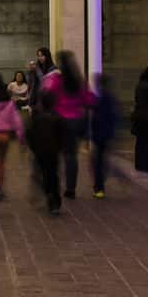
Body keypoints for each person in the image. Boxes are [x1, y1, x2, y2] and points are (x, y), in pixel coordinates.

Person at [41, 50, 94, 198]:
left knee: (53, 154)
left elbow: (47, 95)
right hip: (75, 121)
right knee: (71, 155)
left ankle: (53, 185)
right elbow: (89, 100)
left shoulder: (55, 79)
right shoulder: (78, 81)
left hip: (57, 121)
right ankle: (70, 188)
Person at [27, 90, 67, 215]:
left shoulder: (37, 118)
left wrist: (33, 148)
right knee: (53, 174)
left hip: (40, 152)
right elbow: (63, 136)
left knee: (43, 173)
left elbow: (30, 135)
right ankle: (54, 198)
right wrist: (59, 148)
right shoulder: (58, 118)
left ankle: (48, 192)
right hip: (53, 152)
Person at [89, 73, 120, 198]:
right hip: (107, 134)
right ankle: (100, 185)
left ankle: (99, 188)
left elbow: (97, 117)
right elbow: (114, 116)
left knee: (97, 162)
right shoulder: (110, 97)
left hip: (100, 134)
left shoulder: (100, 98)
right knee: (101, 160)